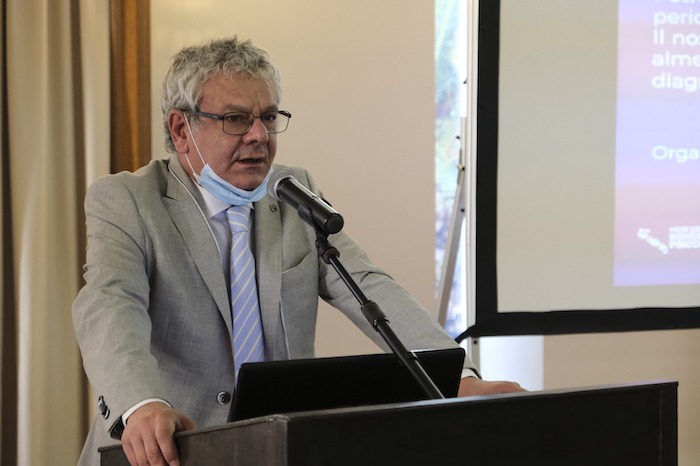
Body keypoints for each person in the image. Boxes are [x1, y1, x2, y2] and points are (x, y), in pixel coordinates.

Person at [72, 36, 523, 466]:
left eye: (268, 117)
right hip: (165, 453)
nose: (258, 135)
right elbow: (111, 304)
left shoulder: (293, 191)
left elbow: (369, 286)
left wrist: (459, 379)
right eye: (235, 119)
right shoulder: (129, 200)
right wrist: (142, 404)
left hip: (275, 449)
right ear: (181, 128)